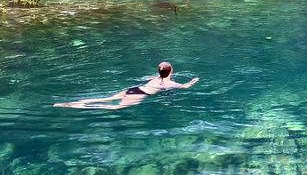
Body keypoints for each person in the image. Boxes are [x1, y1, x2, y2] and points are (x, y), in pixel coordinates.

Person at [53, 62, 199, 110]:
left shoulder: (155, 78)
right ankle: (74, 106)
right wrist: (193, 81)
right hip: (140, 94)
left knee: (107, 98)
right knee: (115, 107)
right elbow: (184, 87)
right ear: (171, 71)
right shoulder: (170, 83)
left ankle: (74, 103)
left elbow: (151, 78)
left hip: (133, 89)